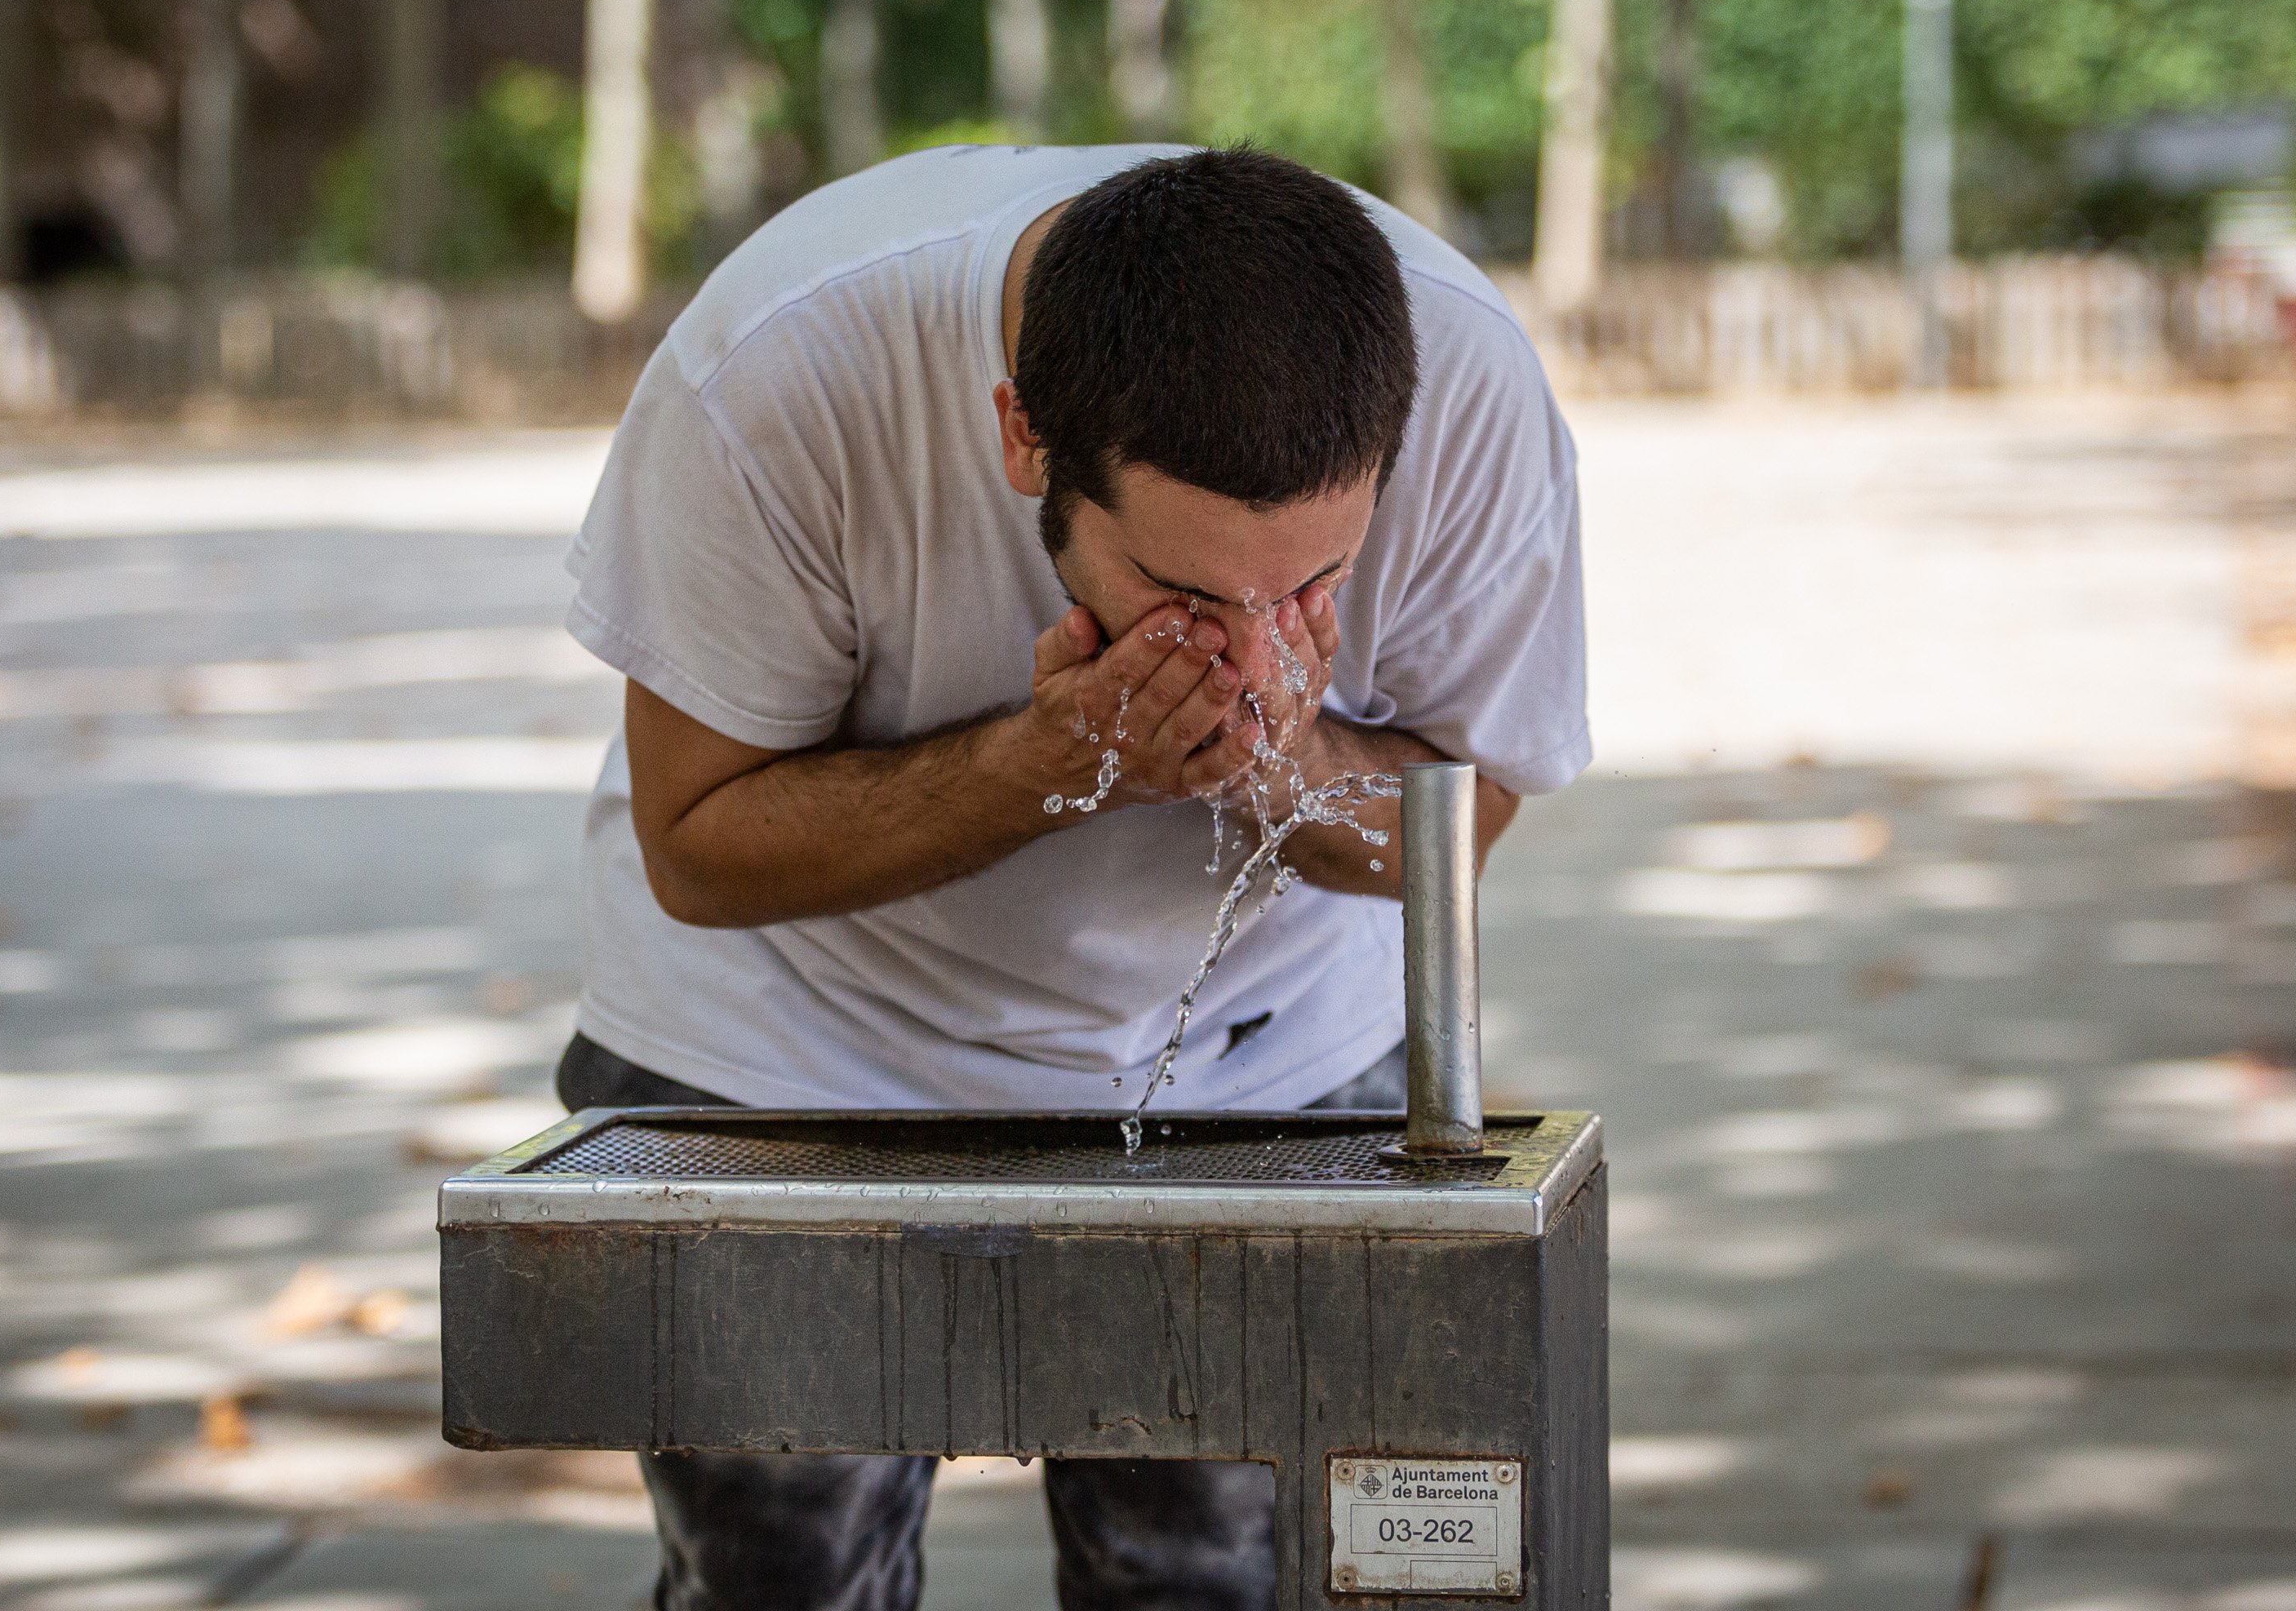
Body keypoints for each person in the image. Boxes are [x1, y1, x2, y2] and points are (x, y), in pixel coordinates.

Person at [557, 144, 1587, 1611]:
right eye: (1185, 594)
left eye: (1314, 587)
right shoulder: (781, 369)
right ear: (1023, 440)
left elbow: (1457, 832)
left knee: (1211, 1578)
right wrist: (1042, 766)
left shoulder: (1473, 382)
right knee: (780, 1581)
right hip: (791, 1037)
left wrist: (1275, 766)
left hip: (1259, 1046)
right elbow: (696, 844)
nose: (1257, 649)